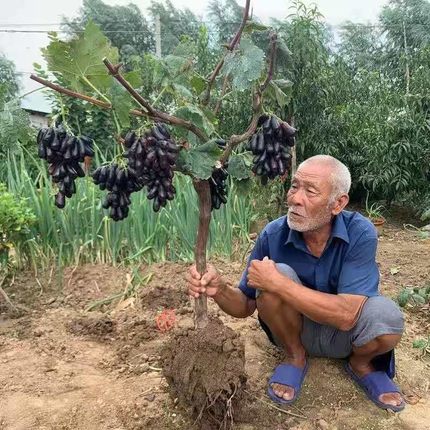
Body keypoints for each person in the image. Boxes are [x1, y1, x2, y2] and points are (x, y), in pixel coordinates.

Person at [186, 155, 405, 412]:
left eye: (310, 191)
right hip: (294, 331)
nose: (295, 199)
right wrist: (219, 289)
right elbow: (245, 305)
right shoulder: (273, 234)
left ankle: (361, 364)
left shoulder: (360, 232)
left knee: (387, 317)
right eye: (294, 186)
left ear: (338, 203)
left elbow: (348, 315)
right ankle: (295, 357)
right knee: (274, 276)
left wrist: (280, 284)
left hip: (346, 336)